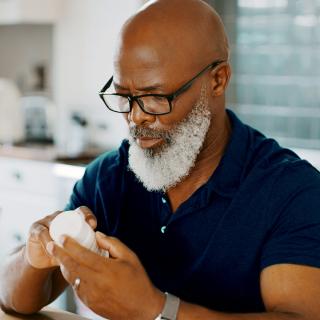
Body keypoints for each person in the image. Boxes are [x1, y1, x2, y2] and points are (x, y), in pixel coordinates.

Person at [1, 0, 320, 319]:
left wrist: (156, 310)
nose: (135, 118)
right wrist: (33, 257)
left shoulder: (292, 192)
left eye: (156, 98)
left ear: (218, 80)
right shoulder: (108, 179)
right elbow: (12, 299)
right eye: (124, 97)